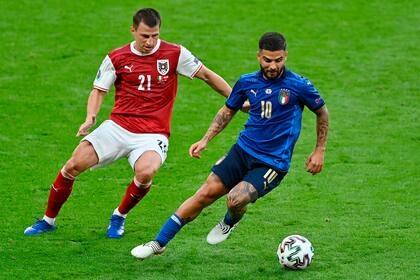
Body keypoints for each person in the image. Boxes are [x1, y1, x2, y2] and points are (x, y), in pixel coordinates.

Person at [24, 8, 234, 238]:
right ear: (133, 31)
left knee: (146, 173)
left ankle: (119, 216)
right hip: (117, 127)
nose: (150, 41)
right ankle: (48, 220)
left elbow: (207, 75)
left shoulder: (175, 53)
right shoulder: (117, 57)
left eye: (155, 35)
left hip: (153, 133)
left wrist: (235, 98)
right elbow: (98, 90)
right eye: (145, 36)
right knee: (74, 164)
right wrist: (91, 117)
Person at [130, 31, 329, 259]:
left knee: (236, 198)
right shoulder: (246, 82)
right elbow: (227, 111)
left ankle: (229, 222)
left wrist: (319, 150)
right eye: (267, 60)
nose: (272, 66)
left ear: (285, 56)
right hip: (242, 151)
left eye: (278, 60)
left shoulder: (298, 85)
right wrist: (205, 139)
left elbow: (321, 112)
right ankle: (158, 243)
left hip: (272, 162)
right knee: (204, 193)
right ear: (258, 57)